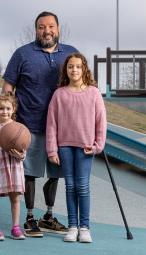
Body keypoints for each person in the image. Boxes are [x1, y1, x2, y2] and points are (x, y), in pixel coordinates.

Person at [2, 11, 78, 237]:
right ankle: (29, 218)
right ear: (36, 30)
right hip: (29, 125)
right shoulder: (22, 54)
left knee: (56, 173)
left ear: (58, 29)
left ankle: (48, 216)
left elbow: (81, 83)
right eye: (41, 27)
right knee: (30, 173)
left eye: (51, 27)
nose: (46, 31)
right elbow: (7, 89)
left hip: (62, 128)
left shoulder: (71, 53)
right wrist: (9, 121)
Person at [46, 53, 107, 243]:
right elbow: (52, 124)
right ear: (66, 70)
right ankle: (72, 227)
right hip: (64, 146)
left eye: (78, 67)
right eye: (71, 66)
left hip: (86, 147)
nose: (74, 70)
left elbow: (101, 121)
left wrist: (98, 146)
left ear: (84, 69)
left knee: (83, 186)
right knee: (70, 186)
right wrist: (52, 151)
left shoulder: (93, 93)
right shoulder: (59, 94)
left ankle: (85, 228)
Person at [0, 94, 26, 241]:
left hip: (14, 167)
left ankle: (15, 228)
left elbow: (23, 149)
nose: (4, 111)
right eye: (1, 108)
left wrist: (21, 156)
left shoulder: (18, 128)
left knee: (15, 198)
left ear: (13, 109)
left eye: (8, 108)